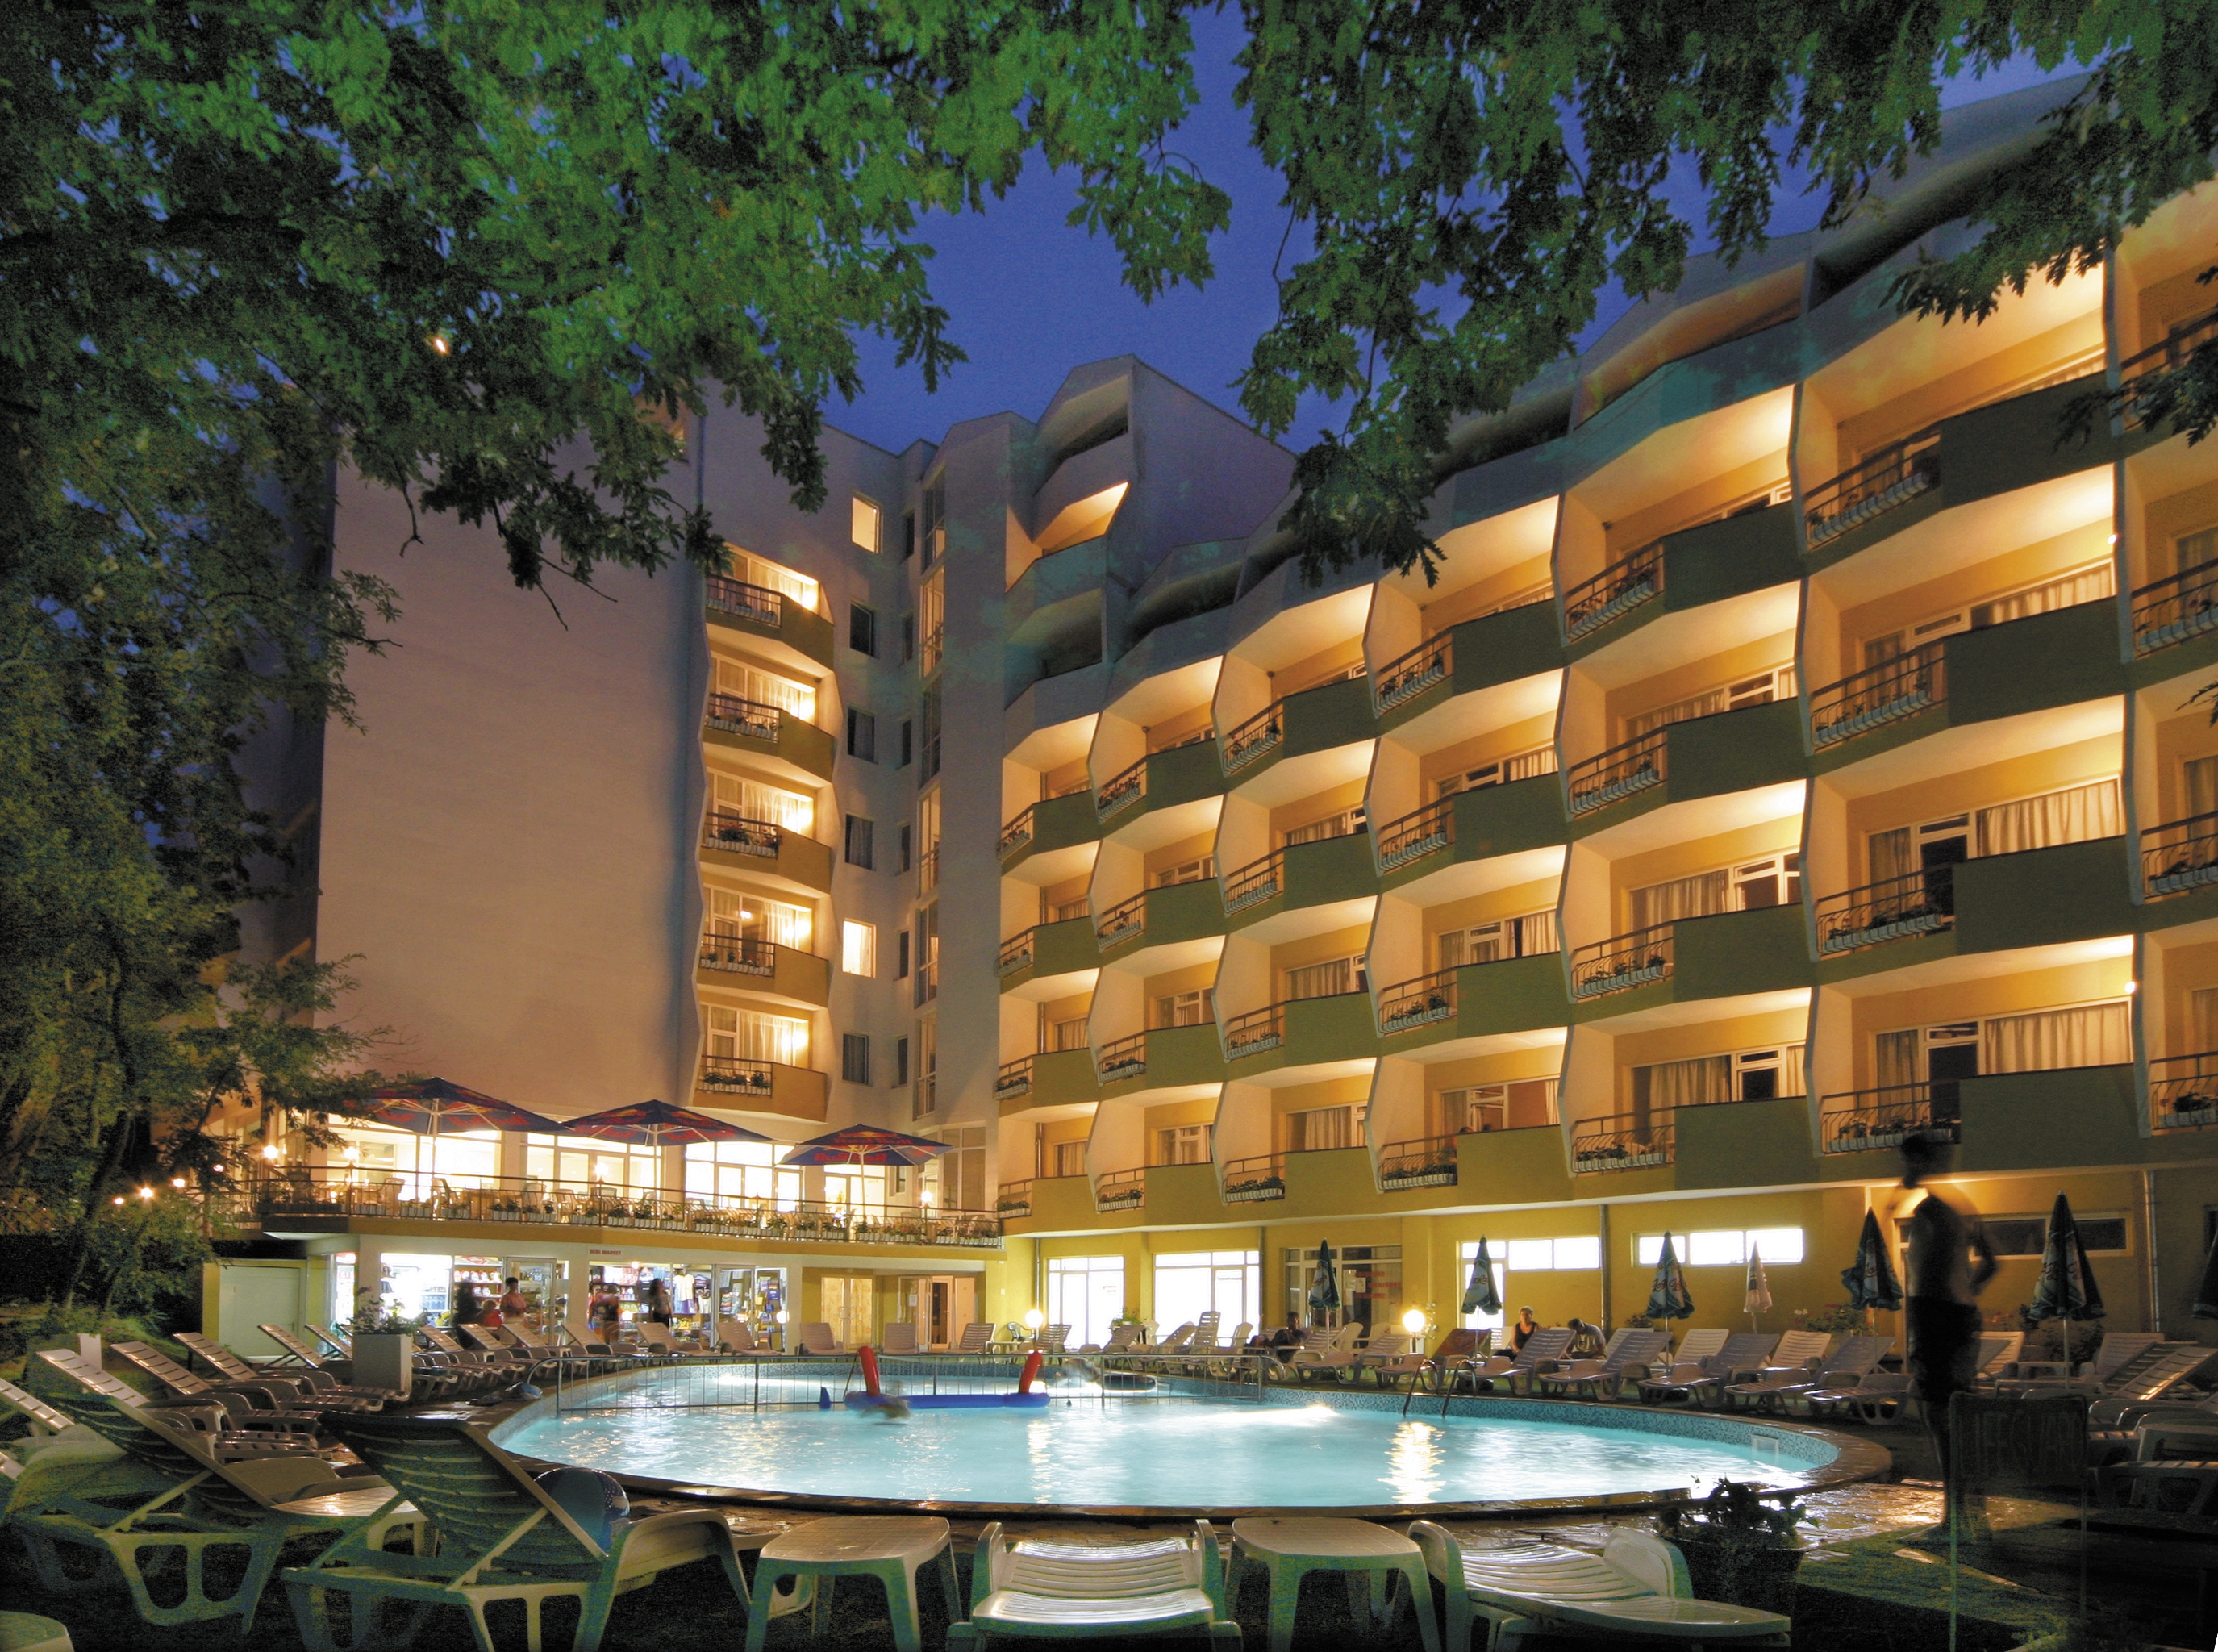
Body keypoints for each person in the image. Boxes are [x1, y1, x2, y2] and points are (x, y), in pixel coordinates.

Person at [1901, 1130, 1997, 1526]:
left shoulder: (1931, 1210)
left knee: (1939, 1417)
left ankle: (1954, 1515)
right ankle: (1969, 1507)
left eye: (1908, 1160)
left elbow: (1925, 1277)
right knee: (1954, 1412)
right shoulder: (1962, 1208)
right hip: (1958, 1315)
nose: (1903, 1169)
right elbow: (1992, 1263)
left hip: (1936, 1316)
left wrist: (1919, 1325)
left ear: (1921, 1161)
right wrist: (1968, 1293)